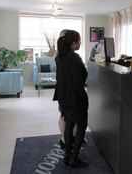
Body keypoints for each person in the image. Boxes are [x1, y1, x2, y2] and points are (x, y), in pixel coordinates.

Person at [53, 30, 89, 168]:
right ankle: (74, 158)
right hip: (76, 98)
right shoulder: (74, 57)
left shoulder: (59, 57)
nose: (80, 43)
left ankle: (67, 156)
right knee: (81, 127)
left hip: (63, 98)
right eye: (79, 41)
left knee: (69, 126)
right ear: (73, 43)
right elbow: (83, 76)